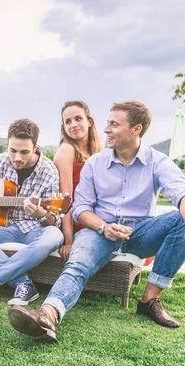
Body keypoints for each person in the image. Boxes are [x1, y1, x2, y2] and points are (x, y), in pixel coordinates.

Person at [8, 100, 185, 343]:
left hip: (139, 233)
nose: (106, 129)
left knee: (184, 218)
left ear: (136, 129)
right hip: (98, 230)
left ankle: (149, 300)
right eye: (107, 123)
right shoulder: (95, 163)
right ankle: (47, 314)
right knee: (77, 266)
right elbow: (80, 209)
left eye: (114, 124)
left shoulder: (157, 161)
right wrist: (103, 227)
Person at [0, 118, 64, 306]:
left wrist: (41, 214)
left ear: (35, 147)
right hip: (4, 227)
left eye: (24, 152)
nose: (17, 157)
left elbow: (54, 219)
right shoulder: (1, 161)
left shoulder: (49, 171)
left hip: (33, 230)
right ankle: (23, 284)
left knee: (55, 235)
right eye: (13, 150)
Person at [53, 101, 102, 261]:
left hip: (93, 214)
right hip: (74, 220)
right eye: (68, 121)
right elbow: (65, 200)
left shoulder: (97, 151)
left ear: (89, 121)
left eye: (78, 119)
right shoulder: (67, 150)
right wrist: (68, 241)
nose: (73, 124)